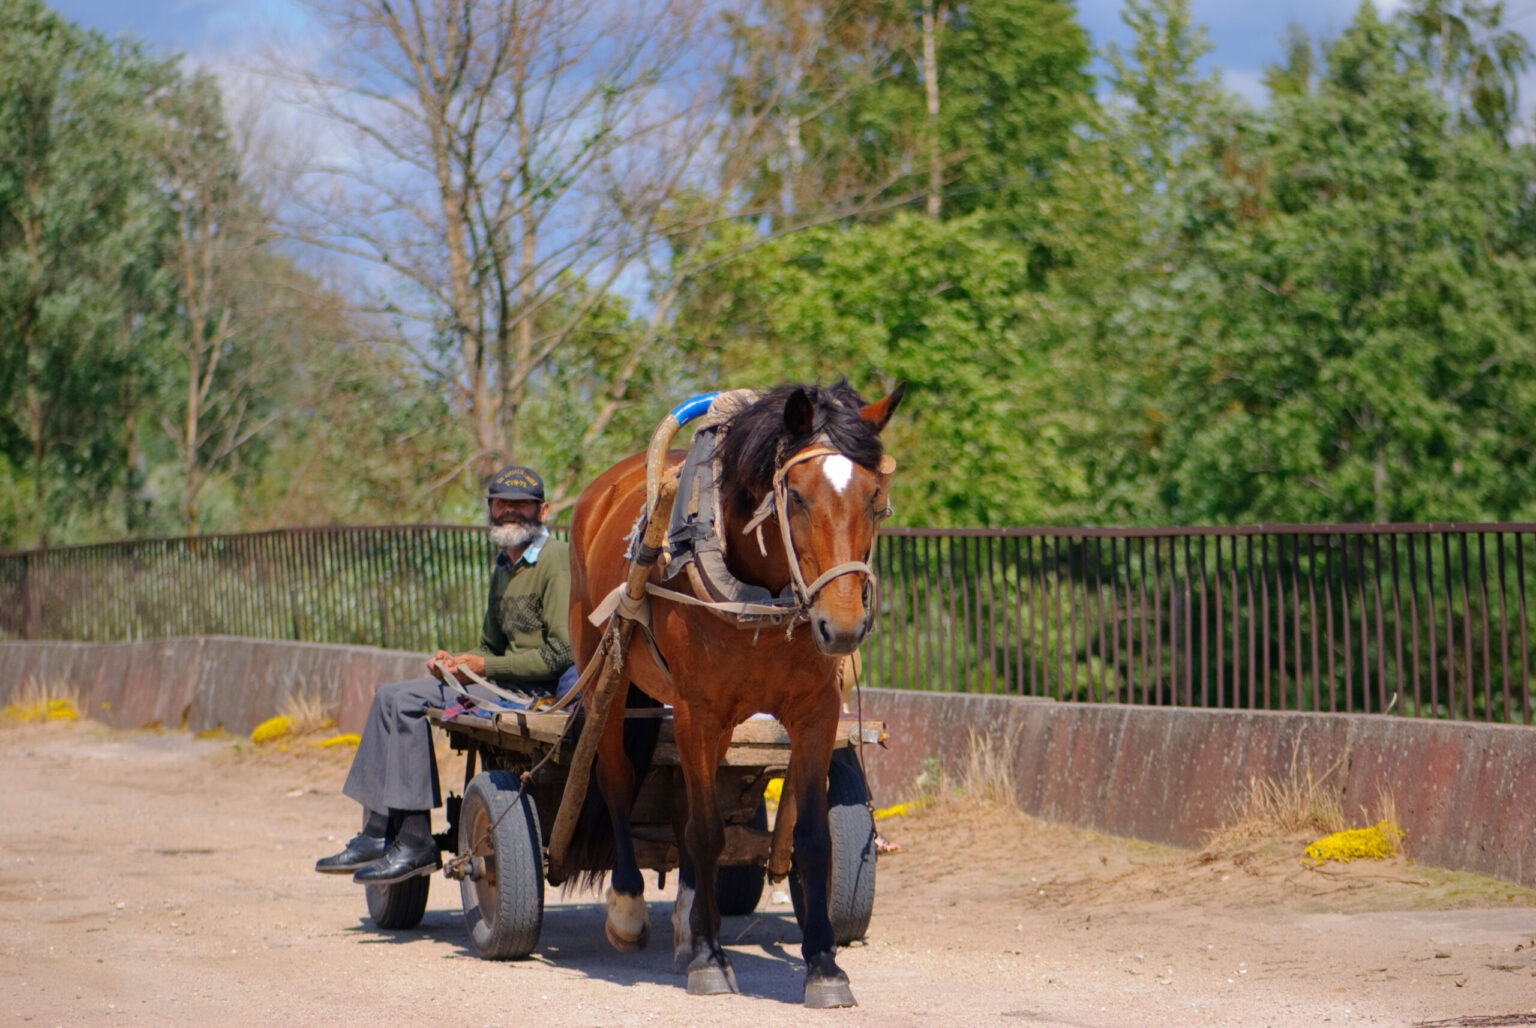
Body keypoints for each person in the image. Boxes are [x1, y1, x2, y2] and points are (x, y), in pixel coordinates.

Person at [315, 465, 574, 885]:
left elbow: (562, 654)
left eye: (521, 504)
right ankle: (375, 833)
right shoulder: (504, 566)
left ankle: (414, 841)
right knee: (388, 695)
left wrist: (483, 667)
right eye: (501, 503)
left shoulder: (555, 560)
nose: (510, 511)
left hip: (538, 693)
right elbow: (490, 648)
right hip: (503, 683)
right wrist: (456, 662)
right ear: (490, 509)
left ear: (542, 510)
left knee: (406, 703)